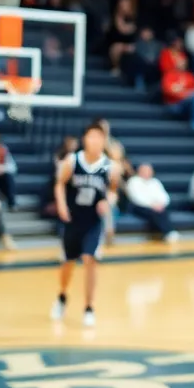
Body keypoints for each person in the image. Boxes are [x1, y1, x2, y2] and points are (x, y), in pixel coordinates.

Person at [51, 124, 113, 327]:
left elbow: (112, 190)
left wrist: (108, 201)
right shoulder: (73, 160)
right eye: (91, 137)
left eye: (99, 137)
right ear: (85, 139)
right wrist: (61, 205)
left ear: (104, 141)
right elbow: (59, 183)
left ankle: (89, 306)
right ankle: (61, 296)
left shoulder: (108, 165)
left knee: (90, 259)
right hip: (73, 219)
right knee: (68, 263)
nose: (95, 141)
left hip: (93, 221)